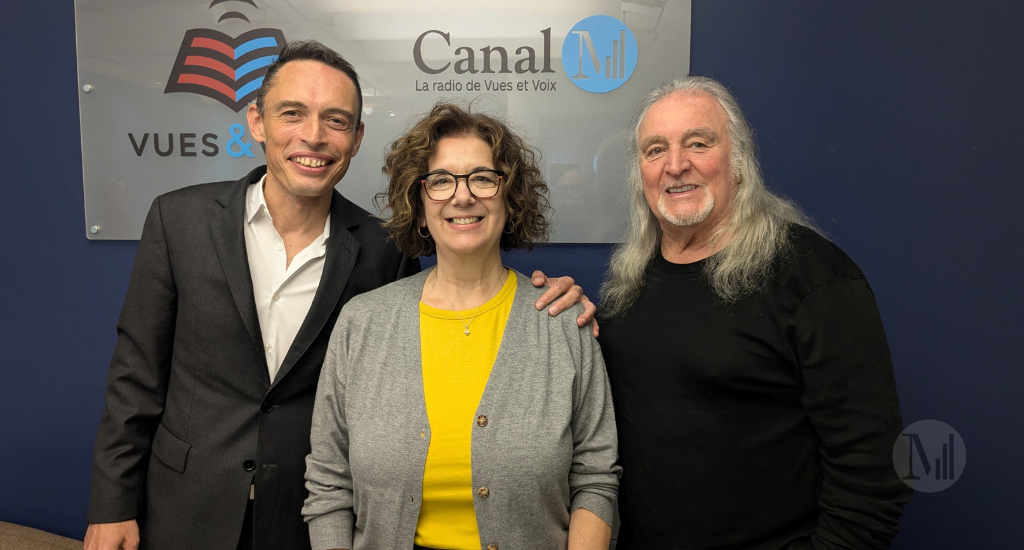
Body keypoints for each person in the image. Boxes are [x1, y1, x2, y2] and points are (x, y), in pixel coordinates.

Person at [84, 41, 595, 550]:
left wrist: (556, 302)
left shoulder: (383, 249)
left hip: (303, 521)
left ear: (355, 138)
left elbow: (450, 310)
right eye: (293, 113)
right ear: (257, 122)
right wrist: (112, 506)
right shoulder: (180, 221)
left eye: (335, 120)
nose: (314, 136)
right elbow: (136, 376)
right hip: (186, 508)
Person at [597, 76, 912, 549]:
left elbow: (872, 472)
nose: (675, 165)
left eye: (698, 143)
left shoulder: (811, 276)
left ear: (738, 161)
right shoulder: (628, 284)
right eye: (655, 150)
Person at [302, 103, 620, 550]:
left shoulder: (563, 323)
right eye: (441, 181)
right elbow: (329, 483)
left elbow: (595, 477)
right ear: (418, 199)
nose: (462, 196)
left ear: (510, 197)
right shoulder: (362, 324)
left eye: (483, 178)